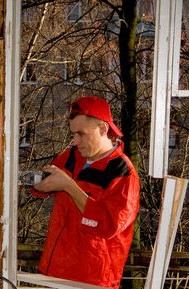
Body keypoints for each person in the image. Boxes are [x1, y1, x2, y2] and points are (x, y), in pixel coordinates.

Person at [31, 96, 140, 288]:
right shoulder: (72, 156)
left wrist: (70, 186)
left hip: (92, 280)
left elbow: (108, 226)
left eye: (81, 134)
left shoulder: (123, 172)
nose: (74, 141)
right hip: (55, 271)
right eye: (73, 134)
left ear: (103, 129)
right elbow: (47, 185)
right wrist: (37, 183)